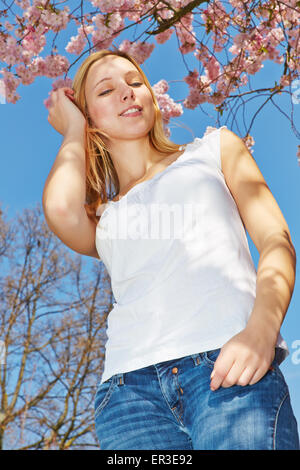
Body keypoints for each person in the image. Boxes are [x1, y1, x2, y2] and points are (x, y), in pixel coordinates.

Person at [43, 49, 299, 450]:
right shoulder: (103, 215)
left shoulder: (214, 149)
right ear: (90, 118)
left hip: (227, 368)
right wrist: (73, 131)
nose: (127, 93)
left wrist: (262, 330)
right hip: (129, 397)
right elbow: (59, 207)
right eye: (107, 90)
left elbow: (276, 242)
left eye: (135, 82)